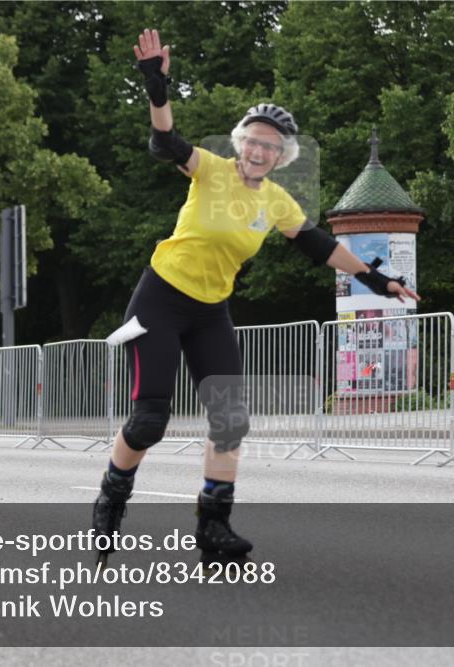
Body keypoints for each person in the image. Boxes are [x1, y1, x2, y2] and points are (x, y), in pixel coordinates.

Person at [92, 29, 421, 567]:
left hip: (209, 310)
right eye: (254, 139)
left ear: (281, 155)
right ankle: (111, 496)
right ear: (240, 142)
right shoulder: (210, 169)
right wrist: (157, 88)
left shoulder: (276, 201)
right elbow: (165, 144)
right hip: (160, 299)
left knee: (228, 419)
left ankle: (214, 527)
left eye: (272, 145)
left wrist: (376, 280)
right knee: (150, 418)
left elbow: (317, 246)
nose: (260, 149)